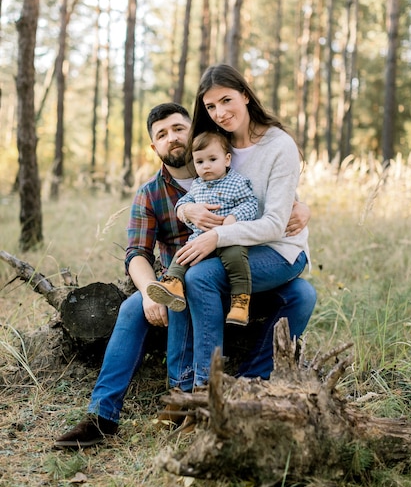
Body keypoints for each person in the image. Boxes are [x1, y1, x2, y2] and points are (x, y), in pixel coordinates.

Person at [54, 101, 315, 449]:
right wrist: (148, 291)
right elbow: (136, 254)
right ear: (154, 147)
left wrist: (302, 206)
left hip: (238, 271)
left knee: (303, 295)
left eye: (179, 128)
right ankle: (102, 415)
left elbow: (274, 195)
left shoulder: (230, 161)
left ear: (193, 130)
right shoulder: (150, 194)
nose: (172, 138)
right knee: (134, 307)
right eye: (162, 135)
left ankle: (249, 383)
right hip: (178, 282)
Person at [169, 63, 311, 389]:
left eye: (226, 100)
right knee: (183, 277)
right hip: (238, 245)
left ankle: (208, 390)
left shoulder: (279, 145)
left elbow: (276, 222)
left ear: (245, 96)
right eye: (210, 106)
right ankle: (186, 386)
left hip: (279, 248)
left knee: (201, 276)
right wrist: (188, 210)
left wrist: (217, 236)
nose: (220, 112)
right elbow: (194, 196)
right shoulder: (216, 145)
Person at [146, 130, 258, 326]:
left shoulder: (237, 182)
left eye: (212, 159)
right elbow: (182, 204)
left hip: (229, 237)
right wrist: (187, 209)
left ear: (227, 159)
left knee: (237, 260)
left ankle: (240, 302)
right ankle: (173, 284)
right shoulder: (197, 185)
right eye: (199, 162)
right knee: (183, 255)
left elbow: (251, 203)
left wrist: (234, 217)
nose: (206, 166)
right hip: (200, 240)